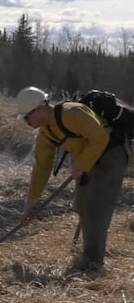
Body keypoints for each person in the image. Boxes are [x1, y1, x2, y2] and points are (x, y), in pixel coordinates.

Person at [15, 86, 128, 275]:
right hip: (90, 159)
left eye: (27, 117)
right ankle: (88, 252)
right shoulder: (45, 134)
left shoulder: (72, 112)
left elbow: (100, 137)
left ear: (39, 110)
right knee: (81, 204)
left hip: (111, 155)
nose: (26, 122)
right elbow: (41, 169)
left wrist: (81, 165)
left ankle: (92, 265)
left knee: (95, 209)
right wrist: (30, 204)